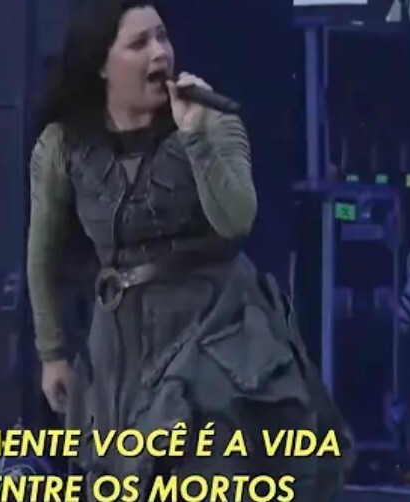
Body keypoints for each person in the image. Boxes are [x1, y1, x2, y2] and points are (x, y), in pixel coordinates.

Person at [26, 0, 354, 500]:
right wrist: (52, 354)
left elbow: (237, 219)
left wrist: (197, 136)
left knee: (208, 465)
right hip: (122, 342)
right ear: (102, 64)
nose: (159, 53)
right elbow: (43, 254)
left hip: (215, 327)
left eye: (162, 37)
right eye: (139, 43)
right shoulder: (62, 146)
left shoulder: (213, 120)